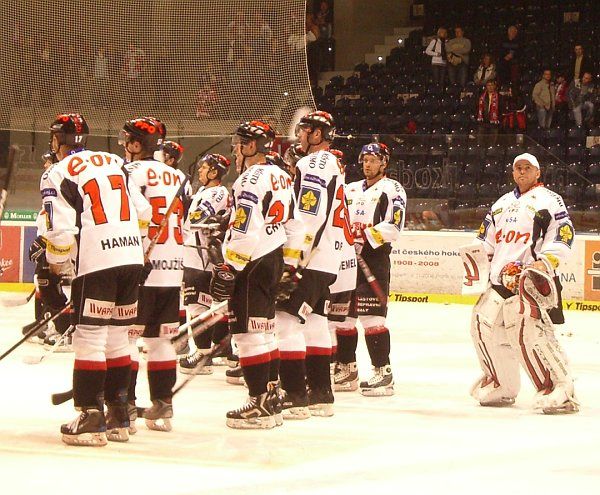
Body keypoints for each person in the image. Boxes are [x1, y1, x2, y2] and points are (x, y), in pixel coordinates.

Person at [40, 113, 149, 446]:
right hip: (132, 258)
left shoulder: (56, 172)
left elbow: (59, 231)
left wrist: (57, 264)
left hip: (98, 260)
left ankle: (90, 413)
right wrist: (131, 246)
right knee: (119, 339)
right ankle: (119, 414)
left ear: (58, 141)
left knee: (89, 337)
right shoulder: (115, 162)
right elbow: (143, 213)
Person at [466, 153, 577, 414]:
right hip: (499, 281)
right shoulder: (501, 203)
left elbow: (564, 232)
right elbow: (486, 239)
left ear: (538, 173)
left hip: (529, 281)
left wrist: (547, 261)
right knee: (483, 328)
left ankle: (560, 388)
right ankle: (502, 385)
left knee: (531, 334)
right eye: (518, 168)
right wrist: (476, 259)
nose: (522, 172)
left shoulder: (549, 200)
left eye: (528, 168)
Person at [211, 120, 304, 429]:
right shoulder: (281, 175)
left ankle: (258, 404)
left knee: (248, 336)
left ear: (251, 146)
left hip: (252, 261)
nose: (236, 149)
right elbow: (295, 224)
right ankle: (271, 397)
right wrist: (290, 265)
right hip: (274, 256)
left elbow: (245, 227)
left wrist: (230, 268)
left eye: (240, 144)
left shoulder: (250, 179)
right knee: (264, 332)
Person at [275, 111, 349, 419]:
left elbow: (309, 215)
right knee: (317, 322)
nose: (300, 136)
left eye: (304, 131)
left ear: (318, 135)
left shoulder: (315, 162)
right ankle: (321, 394)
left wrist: (293, 260)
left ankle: (294, 395)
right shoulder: (331, 164)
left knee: (284, 321)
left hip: (311, 256)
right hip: (328, 258)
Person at [121, 117, 190, 434]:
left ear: (137, 144)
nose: (124, 146)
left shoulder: (130, 172)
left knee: (127, 338)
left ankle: (123, 407)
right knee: (162, 341)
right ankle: (162, 404)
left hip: (142, 267)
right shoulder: (177, 176)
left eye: (127, 140)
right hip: (173, 269)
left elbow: (131, 216)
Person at [333, 143, 406, 396]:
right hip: (347, 261)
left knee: (373, 319)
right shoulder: (350, 189)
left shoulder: (392, 189)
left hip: (373, 259)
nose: (367, 164)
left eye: (373, 160)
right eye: (364, 159)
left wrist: (364, 235)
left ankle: (383, 372)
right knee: (343, 318)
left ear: (384, 163)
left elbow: (394, 226)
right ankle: (347, 368)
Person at [179, 154, 232, 376]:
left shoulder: (217, 192)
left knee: (197, 306)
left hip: (203, 258)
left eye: (204, 168)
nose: (200, 171)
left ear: (213, 173)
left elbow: (197, 219)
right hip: (196, 254)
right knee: (204, 305)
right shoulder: (204, 191)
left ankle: (203, 353)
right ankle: (218, 349)